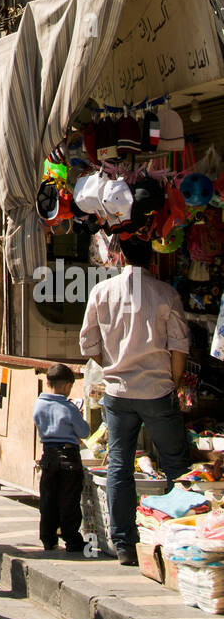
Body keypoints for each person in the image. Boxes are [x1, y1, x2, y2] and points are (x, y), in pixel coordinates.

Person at [80, 234, 191, 566]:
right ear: (152, 259)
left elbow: (88, 344)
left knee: (119, 466)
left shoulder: (102, 292)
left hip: (118, 392)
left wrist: (114, 368)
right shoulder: (165, 294)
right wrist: (172, 383)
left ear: (121, 257)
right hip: (158, 390)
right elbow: (179, 348)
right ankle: (176, 537)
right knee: (176, 465)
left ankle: (124, 544)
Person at [33, 363, 90, 553]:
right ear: (67, 386)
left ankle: (48, 539)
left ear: (48, 383)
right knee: (69, 500)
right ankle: (72, 540)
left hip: (48, 456)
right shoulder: (69, 407)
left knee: (48, 500)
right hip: (69, 457)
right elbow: (84, 431)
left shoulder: (39, 404)